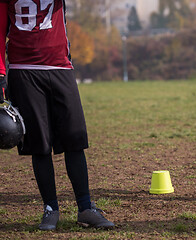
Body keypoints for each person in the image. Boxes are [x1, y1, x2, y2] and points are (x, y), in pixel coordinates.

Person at [0, 0, 114, 230]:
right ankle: (50, 208)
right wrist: (1, 74)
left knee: (74, 139)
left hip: (60, 67)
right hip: (24, 70)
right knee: (39, 144)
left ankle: (86, 208)